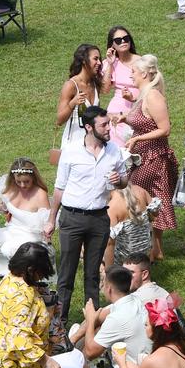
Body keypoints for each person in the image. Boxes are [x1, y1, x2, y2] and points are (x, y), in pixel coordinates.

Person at [47, 105, 129, 321]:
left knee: (93, 274)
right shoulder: (71, 152)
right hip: (72, 217)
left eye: (108, 123)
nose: (109, 129)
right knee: (66, 274)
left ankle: (92, 320)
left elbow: (124, 180)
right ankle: (60, 321)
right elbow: (59, 188)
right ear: (89, 128)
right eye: (104, 125)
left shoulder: (113, 151)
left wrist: (118, 181)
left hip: (100, 218)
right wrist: (50, 220)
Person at [120, 55, 179, 262]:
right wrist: (125, 117)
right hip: (143, 157)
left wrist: (137, 139)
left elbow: (165, 129)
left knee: (141, 197)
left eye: (134, 72)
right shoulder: (143, 94)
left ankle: (145, 246)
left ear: (144, 74)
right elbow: (145, 120)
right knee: (150, 199)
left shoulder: (153, 96)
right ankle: (155, 249)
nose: (131, 75)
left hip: (155, 158)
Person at [0, 158, 49, 276]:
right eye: (18, 181)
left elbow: (47, 222)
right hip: (12, 229)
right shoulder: (9, 189)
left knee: (8, 248)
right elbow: (5, 208)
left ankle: (26, 275)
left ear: (33, 178)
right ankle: (4, 272)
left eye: (26, 181)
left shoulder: (40, 193)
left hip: (32, 234)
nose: (22, 185)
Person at [58, 43, 103, 148]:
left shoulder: (95, 84)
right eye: (95, 59)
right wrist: (73, 103)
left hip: (92, 143)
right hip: (74, 144)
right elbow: (59, 120)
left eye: (99, 59)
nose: (99, 63)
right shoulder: (71, 85)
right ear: (84, 60)